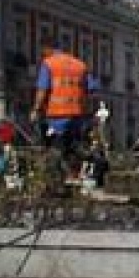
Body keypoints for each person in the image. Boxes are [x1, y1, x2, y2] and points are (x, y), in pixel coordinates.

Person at [29, 38, 97, 183]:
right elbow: (91, 90)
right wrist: (88, 112)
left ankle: (57, 180)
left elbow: (42, 89)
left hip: (57, 115)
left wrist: (35, 109)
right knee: (74, 146)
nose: (42, 55)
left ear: (47, 49)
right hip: (77, 116)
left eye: (42, 52)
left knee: (56, 147)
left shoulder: (49, 63)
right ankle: (75, 177)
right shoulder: (79, 64)